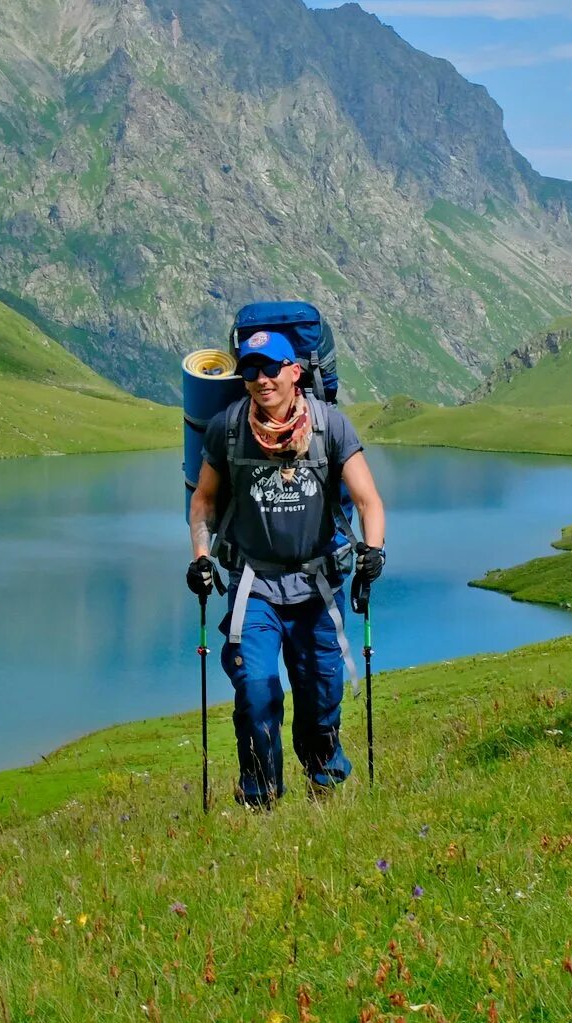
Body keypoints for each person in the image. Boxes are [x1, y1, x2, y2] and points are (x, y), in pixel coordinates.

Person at [185, 330, 387, 808]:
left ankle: (324, 786)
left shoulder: (331, 427)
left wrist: (373, 551)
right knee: (255, 691)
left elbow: (367, 500)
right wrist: (200, 557)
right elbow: (204, 501)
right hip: (254, 585)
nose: (260, 379)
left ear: (295, 371)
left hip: (317, 585)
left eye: (271, 368)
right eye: (250, 370)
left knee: (320, 695)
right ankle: (261, 799)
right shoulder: (228, 428)